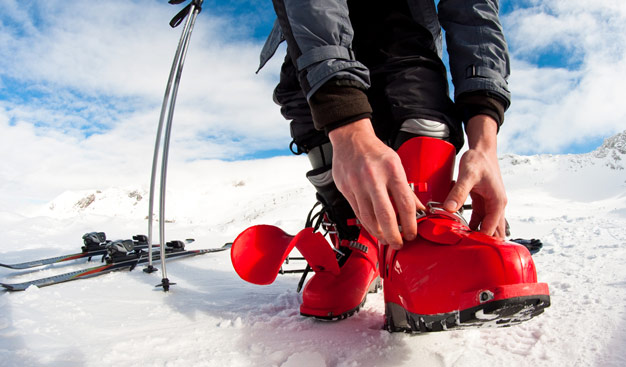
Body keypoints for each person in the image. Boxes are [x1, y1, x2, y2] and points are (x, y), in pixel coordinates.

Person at [257, 0, 511, 320]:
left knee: (417, 104)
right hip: (312, 26)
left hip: (403, 24)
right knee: (309, 108)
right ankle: (356, 236)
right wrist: (346, 124)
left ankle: (426, 231)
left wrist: (484, 141)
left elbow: (474, 11)